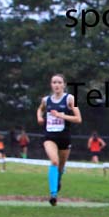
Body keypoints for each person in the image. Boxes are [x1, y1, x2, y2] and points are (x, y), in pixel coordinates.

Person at [37, 73, 81, 206]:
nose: (56, 85)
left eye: (59, 82)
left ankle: (58, 179)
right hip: (49, 137)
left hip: (64, 138)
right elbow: (40, 109)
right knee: (54, 162)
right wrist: (39, 117)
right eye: (54, 82)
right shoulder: (46, 100)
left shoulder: (70, 99)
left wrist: (62, 116)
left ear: (64, 85)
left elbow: (78, 119)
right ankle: (53, 195)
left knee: (60, 167)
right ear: (51, 85)